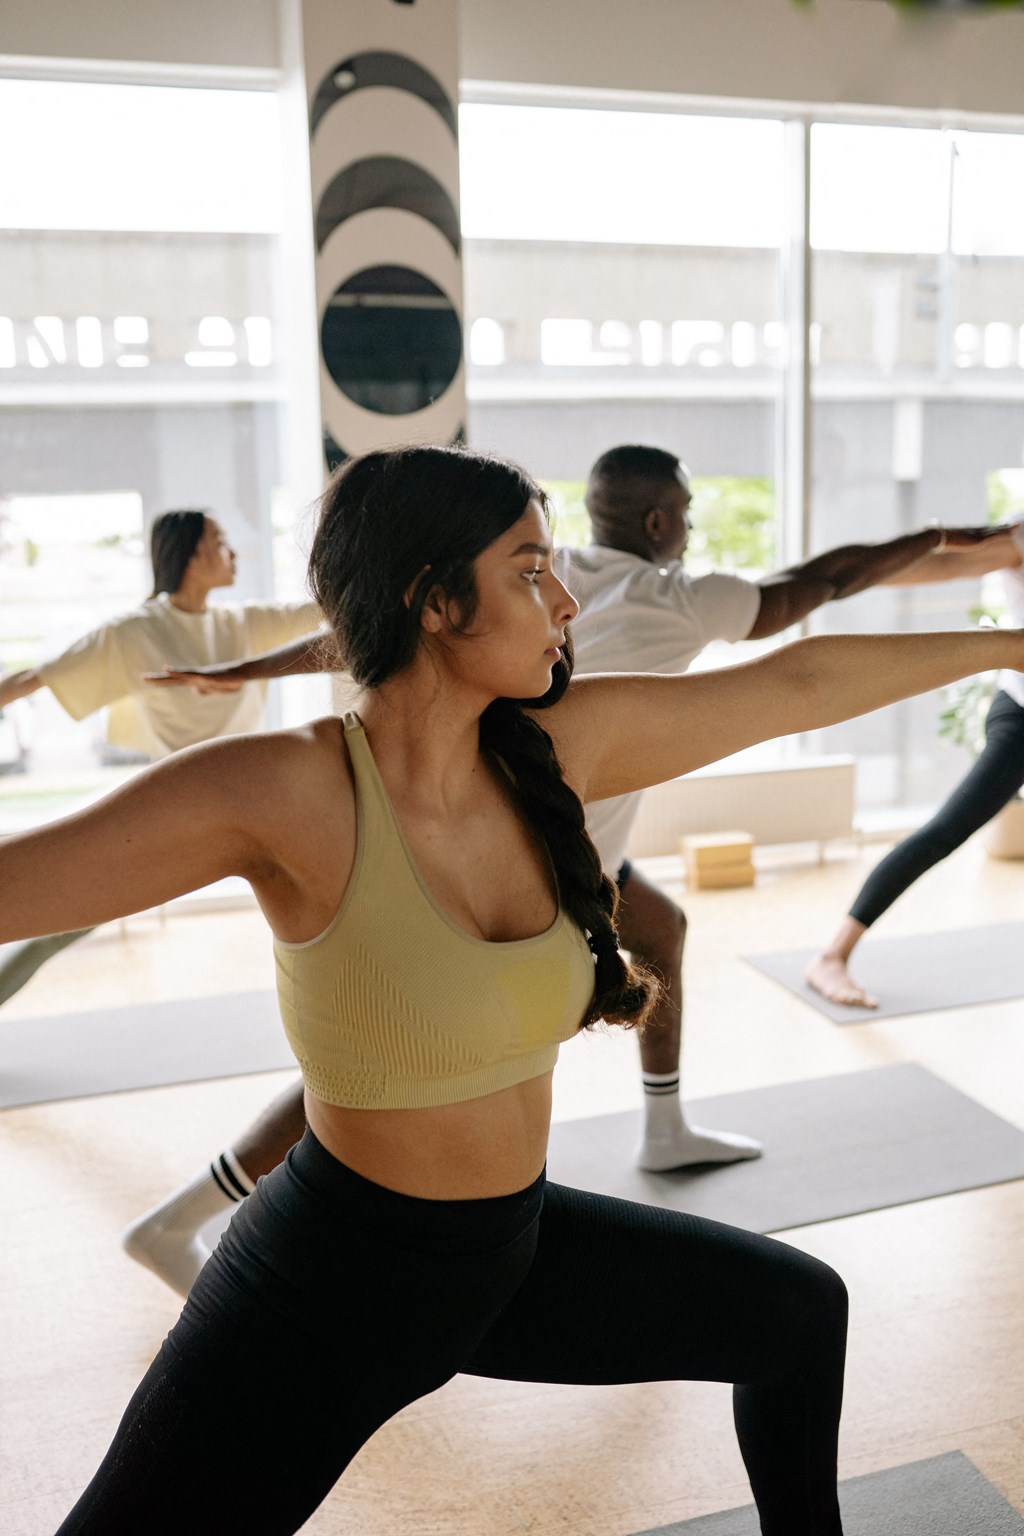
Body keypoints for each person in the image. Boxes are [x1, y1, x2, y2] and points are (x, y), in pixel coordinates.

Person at [5, 444, 1024, 1536]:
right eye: (531, 571)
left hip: (505, 1256)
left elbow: (799, 682)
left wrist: (1010, 639)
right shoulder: (282, 791)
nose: (567, 601)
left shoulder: (558, 747)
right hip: (330, 1287)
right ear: (433, 601)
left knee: (793, 1312)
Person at [123, 445, 1012, 1297]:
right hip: (534, 839)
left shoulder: (554, 575)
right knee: (403, 1061)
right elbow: (822, 586)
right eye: (689, 514)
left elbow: (365, 628)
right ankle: (190, 1211)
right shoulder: (678, 598)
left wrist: (238, 669)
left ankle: (663, 1128)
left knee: (652, 931)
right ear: (662, 519)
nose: (557, 606)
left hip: (571, 836)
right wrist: (931, 539)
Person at [0, 508, 322, 1008]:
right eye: (220, 541)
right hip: (180, 802)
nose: (232, 552)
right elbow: (34, 679)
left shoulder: (242, 623)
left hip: (252, 802)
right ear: (193, 556)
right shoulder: (134, 632)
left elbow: (326, 611)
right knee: (66, 919)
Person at [806, 512, 1024, 1008]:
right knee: (947, 830)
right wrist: (831, 577)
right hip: (1023, 713)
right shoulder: (1020, 539)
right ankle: (831, 956)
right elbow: (933, 570)